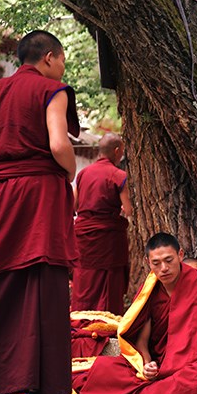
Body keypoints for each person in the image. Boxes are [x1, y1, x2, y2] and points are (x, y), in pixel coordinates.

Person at [0, 30, 84, 394]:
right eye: (61, 59)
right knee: (43, 296)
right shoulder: (52, 89)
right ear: (49, 57)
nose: (62, 67)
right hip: (38, 199)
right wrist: (71, 173)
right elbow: (59, 143)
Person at [76, 233, 197, 394]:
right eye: (156, 263)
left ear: (180, 255)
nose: (164, 268)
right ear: (147, 261)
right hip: (160, 368)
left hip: (190, 368)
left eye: (169, 260)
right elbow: (142, 341)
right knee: (104, 369)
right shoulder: (150, 292)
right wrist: (147, 364)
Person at [71, 133, 131, 315]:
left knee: (84, 279)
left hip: (84, 236)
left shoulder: (83, 174)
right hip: (109, 238)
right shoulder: (118, 175)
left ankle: (82, 321)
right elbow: (128, 209)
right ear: (116, 150)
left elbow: (74, 205)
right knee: (109, 283)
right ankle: (107, 325)